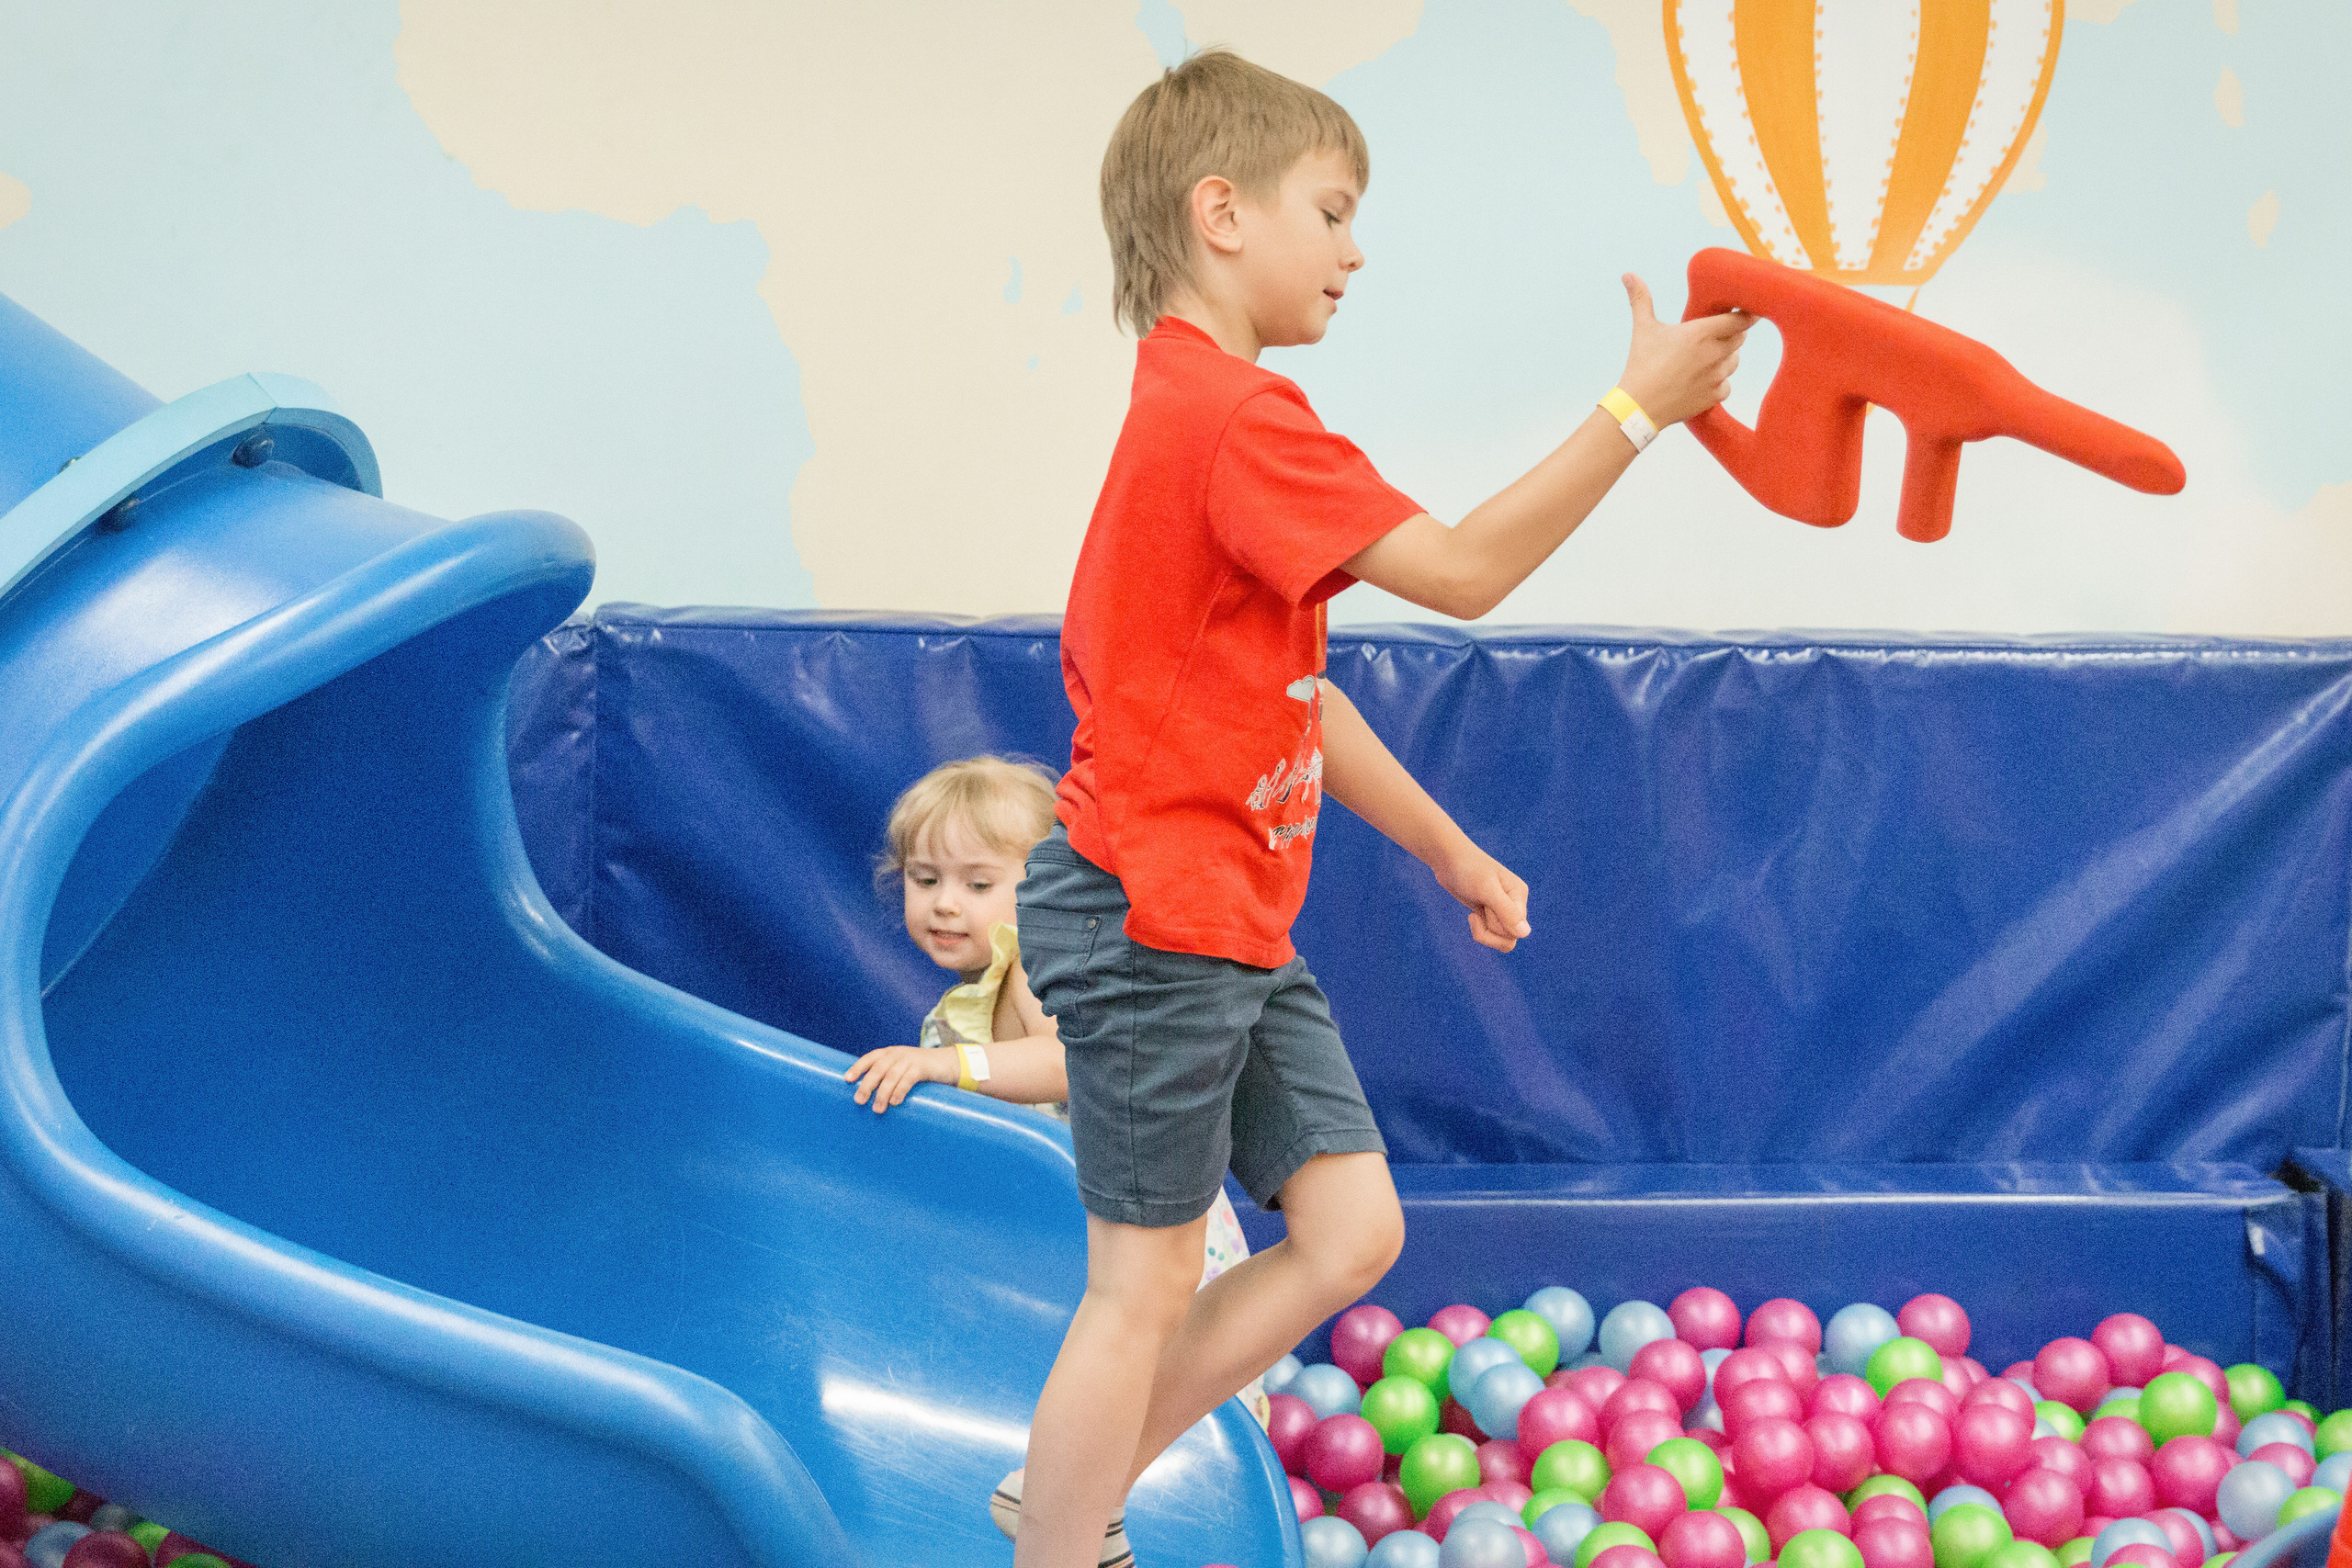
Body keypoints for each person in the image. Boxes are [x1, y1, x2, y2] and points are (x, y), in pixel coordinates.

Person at [1004, 49, 1748, 1568]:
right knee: (1138, 1287)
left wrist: (1448, 844)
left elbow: (1303, 701)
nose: (1356, 248)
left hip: (1220, 915)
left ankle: (1070, 1484)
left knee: (1353, 1231)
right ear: (1222, 213)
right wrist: (1637, 408)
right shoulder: (1235, 420)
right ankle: (1062, 1541)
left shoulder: (1193, 414)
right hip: (1159, 912)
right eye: (1331, 212)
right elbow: (1469, 573)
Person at [840, 754, 1260, 1354]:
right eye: (925, 878)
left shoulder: (1035, 964)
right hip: (1083, 1236)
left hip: (1149, 1233)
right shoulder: (969, 997)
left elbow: (1069, 1062)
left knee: (1167, 1365)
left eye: (978, 884)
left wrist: (944, 1065)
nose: (945, 903)